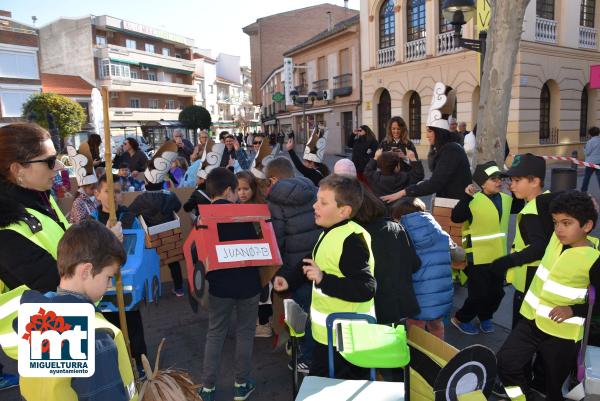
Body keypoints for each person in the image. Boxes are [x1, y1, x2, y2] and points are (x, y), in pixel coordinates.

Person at [15, 220, 137, 401]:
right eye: (108, 277)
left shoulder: (36, 319)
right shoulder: (94, 336)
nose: (110, 284)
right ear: (86, 271)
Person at [497, 190, 600, 401]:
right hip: (530, 322)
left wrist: (573, 310)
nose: (559, 229)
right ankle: (521, 398)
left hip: (562, 335)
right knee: (506, 363)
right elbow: (546, 199)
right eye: (556, 222)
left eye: (567, 223)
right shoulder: (555, 239)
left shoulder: (594, 259)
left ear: (587, 226)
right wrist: (583, 197)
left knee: (553, 389)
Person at [274, 175, 376, 379]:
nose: (314, 206)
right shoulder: (327, 232)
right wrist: (289, 279)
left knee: (336, 386)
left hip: (347, 339)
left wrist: (323, 279)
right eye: (316, 200)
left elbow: (366, 288)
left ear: (344, 211)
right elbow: (311, 259)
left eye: (323, 202)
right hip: (327, 336)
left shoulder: (352, 240)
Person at [0, 123, 69, 390]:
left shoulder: (39, 199)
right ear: (17, 170)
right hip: (47, 337)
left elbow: (64, 240)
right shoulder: (6, 228)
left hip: (66, 326)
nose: (59, 167)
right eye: (50, 161)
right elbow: (56, 284)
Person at [198, 167, 261, 401]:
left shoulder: (202, 218)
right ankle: (241, 385)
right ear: (228, 190)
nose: (238, 195)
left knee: (215, 334)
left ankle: (207, 388)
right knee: (245, 333)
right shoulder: (245, 214)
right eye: (236, 191)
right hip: (248, 283)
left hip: (219, 285)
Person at [266, 157, 321, 374]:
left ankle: (307, 359)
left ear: (273, 179)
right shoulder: (313, 189)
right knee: (318, 312)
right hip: (318, 262)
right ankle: (316, 356)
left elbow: (276, 241)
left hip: (293, 269)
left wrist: (278, 274)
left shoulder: (274, 202)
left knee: (302, 316)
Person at [489, 154, 556, 327]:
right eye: (511, 180)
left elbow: (539, 246)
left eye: (517, 180)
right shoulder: (548, 201)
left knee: (520, 334)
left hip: (529, 282)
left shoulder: (531, 212)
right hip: (542, 281)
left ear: (534, 182)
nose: (511, 185)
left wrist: (507, 261)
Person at [450, 162, 512, 335]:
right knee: (479, 294)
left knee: (497, 293)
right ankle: (461, 318)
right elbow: (456, 217)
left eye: (500, 178)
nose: (499, 182)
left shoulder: (506, 199)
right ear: (482, 183)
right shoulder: (473, 200)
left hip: (498, 256)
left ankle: (486, 316)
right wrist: (466, 197)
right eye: (494, 179)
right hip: (477, 256)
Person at [381, 84, 471, 203]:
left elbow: (434, 183)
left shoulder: (451, 150)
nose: (427, 135)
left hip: (455, 205)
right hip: (448, 203)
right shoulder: (445, 149)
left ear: (439, 132)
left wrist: (403, 192)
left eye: (429, 131)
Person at [128, 141, 185, 297]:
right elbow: (178, 207)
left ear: (146, 182)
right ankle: (179, 288)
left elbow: (129, 213)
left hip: (151, 238)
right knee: (173, 262)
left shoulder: (141, 199)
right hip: (170, 235)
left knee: (150, 264)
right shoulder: (170, 195)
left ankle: (152, 292)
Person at [392, 197, 453, 340]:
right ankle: (437, 352)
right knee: (436, 324)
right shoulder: (439, 232)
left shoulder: (403, 236)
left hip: (416, 293)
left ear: (401, 218)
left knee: (414, 323)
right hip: (440, 291)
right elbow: (455, 252)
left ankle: (416, 353)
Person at [67, 142, 99, 224]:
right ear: (83, 187)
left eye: (96, 187)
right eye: (92, 188)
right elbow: (81, 225)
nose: (95, 190)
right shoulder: (78, 203)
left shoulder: (96, 199)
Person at [581, 126, 600, 192]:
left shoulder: (590, 142)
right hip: (599, 162)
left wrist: (584, 149)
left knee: (587, 177)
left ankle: (583, 192)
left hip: (590, 163)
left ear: (590, 134)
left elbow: (587, 153)